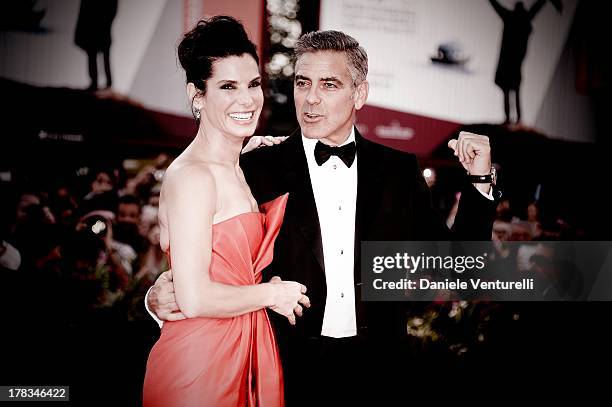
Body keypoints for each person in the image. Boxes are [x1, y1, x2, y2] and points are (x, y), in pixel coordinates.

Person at [148, 30, 497, 405]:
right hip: (283, 370)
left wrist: (479, 184)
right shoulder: (253, 166)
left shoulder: (397, 170)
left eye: (329, 85)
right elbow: (213, 256)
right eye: (303, 83)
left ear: (359, 93)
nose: (311, 99)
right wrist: (156, 297)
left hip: (381, 371)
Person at [142, 16, 310, 407]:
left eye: (253, 84)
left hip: (246, 347)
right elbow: (196, 297)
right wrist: (271, 294)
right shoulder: (191, 177)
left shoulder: (245, 164)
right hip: (199, 365)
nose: (247, 100)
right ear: (197, 96)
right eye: (228, 87)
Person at [489, 0, 561, 124]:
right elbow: (537, 7)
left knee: (510, 91)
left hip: (510, 63)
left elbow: (496, 5)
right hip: (513, 63)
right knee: (513, 91)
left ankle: (513, 119)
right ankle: (514, 119)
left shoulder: (512, 17)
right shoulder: (524, 18)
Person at [74, 0, 118, 91]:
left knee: (102, 56)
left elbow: (112, 10)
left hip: (100, 29)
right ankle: (97, 82)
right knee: (94, 55)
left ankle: (107, 83)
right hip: (93, 29)